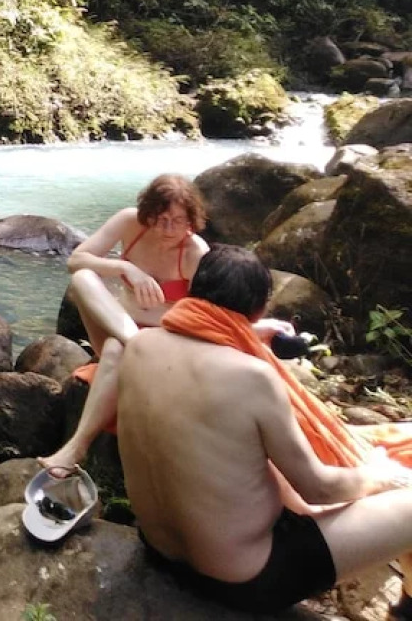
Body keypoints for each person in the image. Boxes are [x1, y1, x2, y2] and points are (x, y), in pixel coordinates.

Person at [119, 245, 412, 615]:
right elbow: (318, 488)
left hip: (159, 551)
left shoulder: (140, 346)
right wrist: (382, 479)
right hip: (245, 579)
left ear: (196, 290)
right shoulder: (252, 376)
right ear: (259, 308)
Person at [40, 173, 211, 471]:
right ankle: (133, 342)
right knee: (83, 278)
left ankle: (76, 449)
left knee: (116, 351)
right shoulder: (129, 222)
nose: (168, 228)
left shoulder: (196, 252)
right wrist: (125, 268)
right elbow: (75, 261)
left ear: (190, 221)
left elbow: (203, 317)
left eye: (178, 220)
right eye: (160, 219)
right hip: (121, 328)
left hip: (164, 345)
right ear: (148, 214)